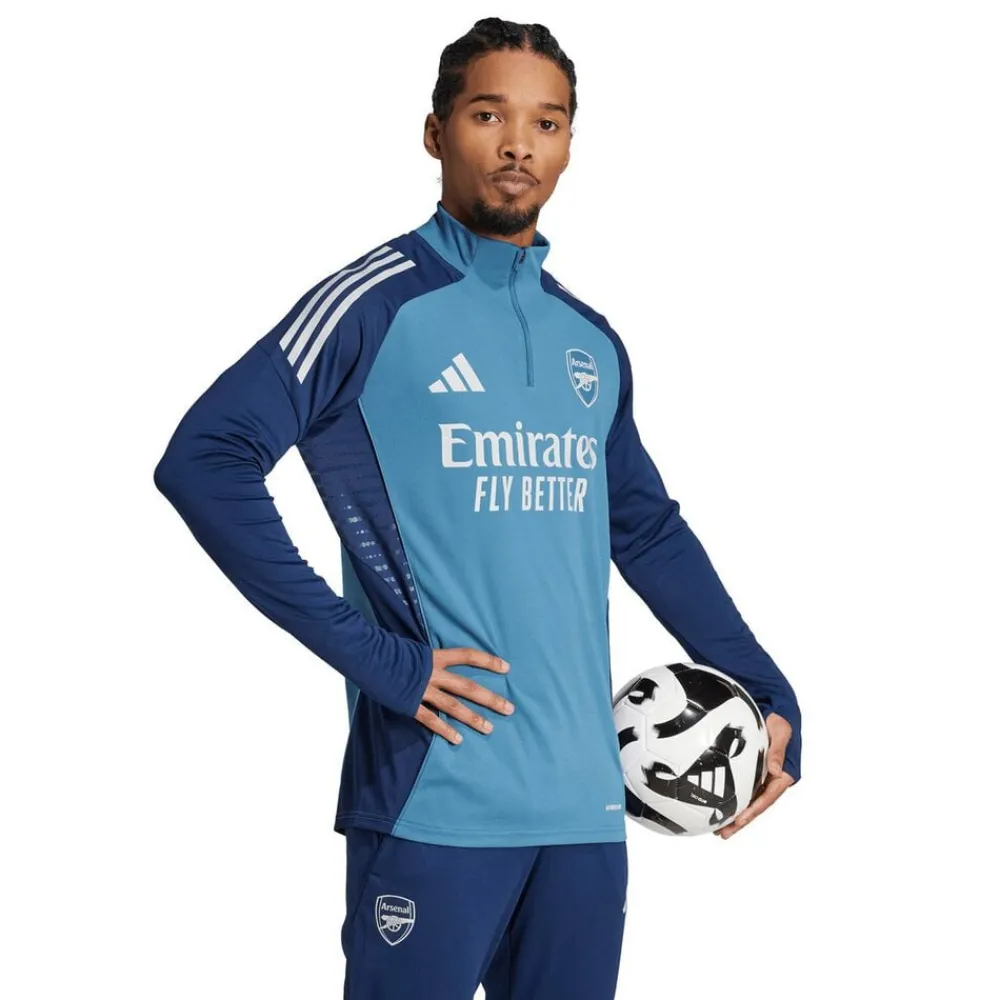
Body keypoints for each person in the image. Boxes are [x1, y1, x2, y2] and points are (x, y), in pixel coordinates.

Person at [153, 17, 802, 999]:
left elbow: (644, 528)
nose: (516, 146)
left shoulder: (590, 340)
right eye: (488, 115)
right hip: (435, 799)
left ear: (569, 143)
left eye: (546, 123)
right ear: (435, 132)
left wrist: (764, 689)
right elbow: (205, 460)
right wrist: (379, 661)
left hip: (586, 810)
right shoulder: (373, 305)